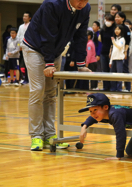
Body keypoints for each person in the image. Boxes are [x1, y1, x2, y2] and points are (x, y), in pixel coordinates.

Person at [22, 0, 91, 151]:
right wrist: (48, 62)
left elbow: (80, 36)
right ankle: (36, 136)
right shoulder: (52, 4)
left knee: (51, 93)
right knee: (38, 90)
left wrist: (80, 63)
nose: (82, 3)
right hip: (34, 47)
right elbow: (47, 33)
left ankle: (50, 135)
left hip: (56, 51)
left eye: (86, 0)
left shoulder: (85, 9)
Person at [115, 11, 131, 91]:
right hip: (116, 52)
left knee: (125, 69)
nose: (116, 18)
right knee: (116, 70)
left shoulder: (126, 28)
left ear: (123, 18)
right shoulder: (115, 27)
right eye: (115, 17)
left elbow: (128, 41)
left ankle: (128, 87)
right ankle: (117, 88)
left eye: (118, 17)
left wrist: (125, 51)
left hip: (123, 51)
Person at [99, 14, 116, 91]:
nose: (107, 22)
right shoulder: (103, 30)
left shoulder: (115, 30)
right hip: (103, 52)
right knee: (104, 70)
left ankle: (113, 87)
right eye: (106, 20)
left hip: (112, 53)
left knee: (112, 70)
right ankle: (105, 87)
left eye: (109, 20)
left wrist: (111, 50)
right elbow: (102, 40)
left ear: (112, 21)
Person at [109, 25, 125, 92]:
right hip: (113, 59)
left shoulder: (122, 39)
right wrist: (110, 61)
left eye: (118, 29)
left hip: (119, 59)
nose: (116, 31)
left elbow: (119, 46)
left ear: (121, 31)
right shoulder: (115, 39)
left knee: (119, 75)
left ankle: (119, 89)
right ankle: (113, 88)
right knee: (112, 75)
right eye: (115, 29)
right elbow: (113, 52)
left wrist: (113, 42)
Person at [17, 11, 32, 85]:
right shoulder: (21, 26)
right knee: (23, 63)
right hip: (22, 47)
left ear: (29, 18)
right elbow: (18, 37)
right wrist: (19, 45)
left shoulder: (31, 25)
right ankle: (23, 78)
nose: (24, 17)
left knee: (29, 64)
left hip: (29, 47)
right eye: (23, 16)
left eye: (26, 16)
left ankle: (29, 79)